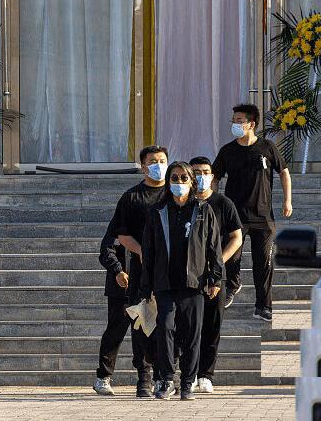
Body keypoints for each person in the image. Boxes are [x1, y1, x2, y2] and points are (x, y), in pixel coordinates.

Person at [140, 162, 224, 401]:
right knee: (165, 328)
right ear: (168, 182)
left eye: (183, 178)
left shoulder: (203, 210)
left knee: (192, 334)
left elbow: (214, 247)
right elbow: (148, 249)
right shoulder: (157, 211)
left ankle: (188, 382)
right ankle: (167, 379)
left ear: (191, 182)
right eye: (174, 178)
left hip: (193, 283)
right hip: (164, 282)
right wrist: (146, 285)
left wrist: (215, 278)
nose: (179, 182)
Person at [212, 104, 293, 322]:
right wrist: (214, 202)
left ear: (251, 124)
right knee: (231, 257)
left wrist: (287, 200)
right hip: (234, 216)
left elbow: (284, 172)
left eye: (239, 121)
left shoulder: (267, 147)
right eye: (233, 121)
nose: (235, 124)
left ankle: (263, 306)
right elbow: (215, 177)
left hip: (263, 217)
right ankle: (233, 284)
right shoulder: (227, 151)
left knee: (263, 263)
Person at [112, 145, 168, 397]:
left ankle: (165, 374)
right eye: (153, 161)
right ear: (143, 166)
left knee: (168, 322)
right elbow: (122, 234)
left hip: (171, 272)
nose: (158, 165)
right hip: (141, 271)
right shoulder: (132, 197)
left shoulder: (175, 194)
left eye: (162, 160)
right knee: (141, 322)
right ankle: (144, 377)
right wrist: (142, 251)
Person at [190, 156, 243, 394]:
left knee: (212, 325)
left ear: (212, 177)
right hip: (188, 274)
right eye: (196, 173)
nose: (201, 177)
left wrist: (218, 261)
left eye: (205, 172)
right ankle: (189, 373)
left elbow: (236, 237)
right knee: (189, 325)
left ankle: (205, 375)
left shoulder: (223, 203)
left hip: (215, 275)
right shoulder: (182, 203)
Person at [93, 219, 130, 396]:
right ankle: (103, 376)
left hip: (147, 285)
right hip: (121, 286)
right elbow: (106, 251)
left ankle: (157, 378)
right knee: (115, 331)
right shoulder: (119, 222)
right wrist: (118, 270)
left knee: (152, 334)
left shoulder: (155, 216)